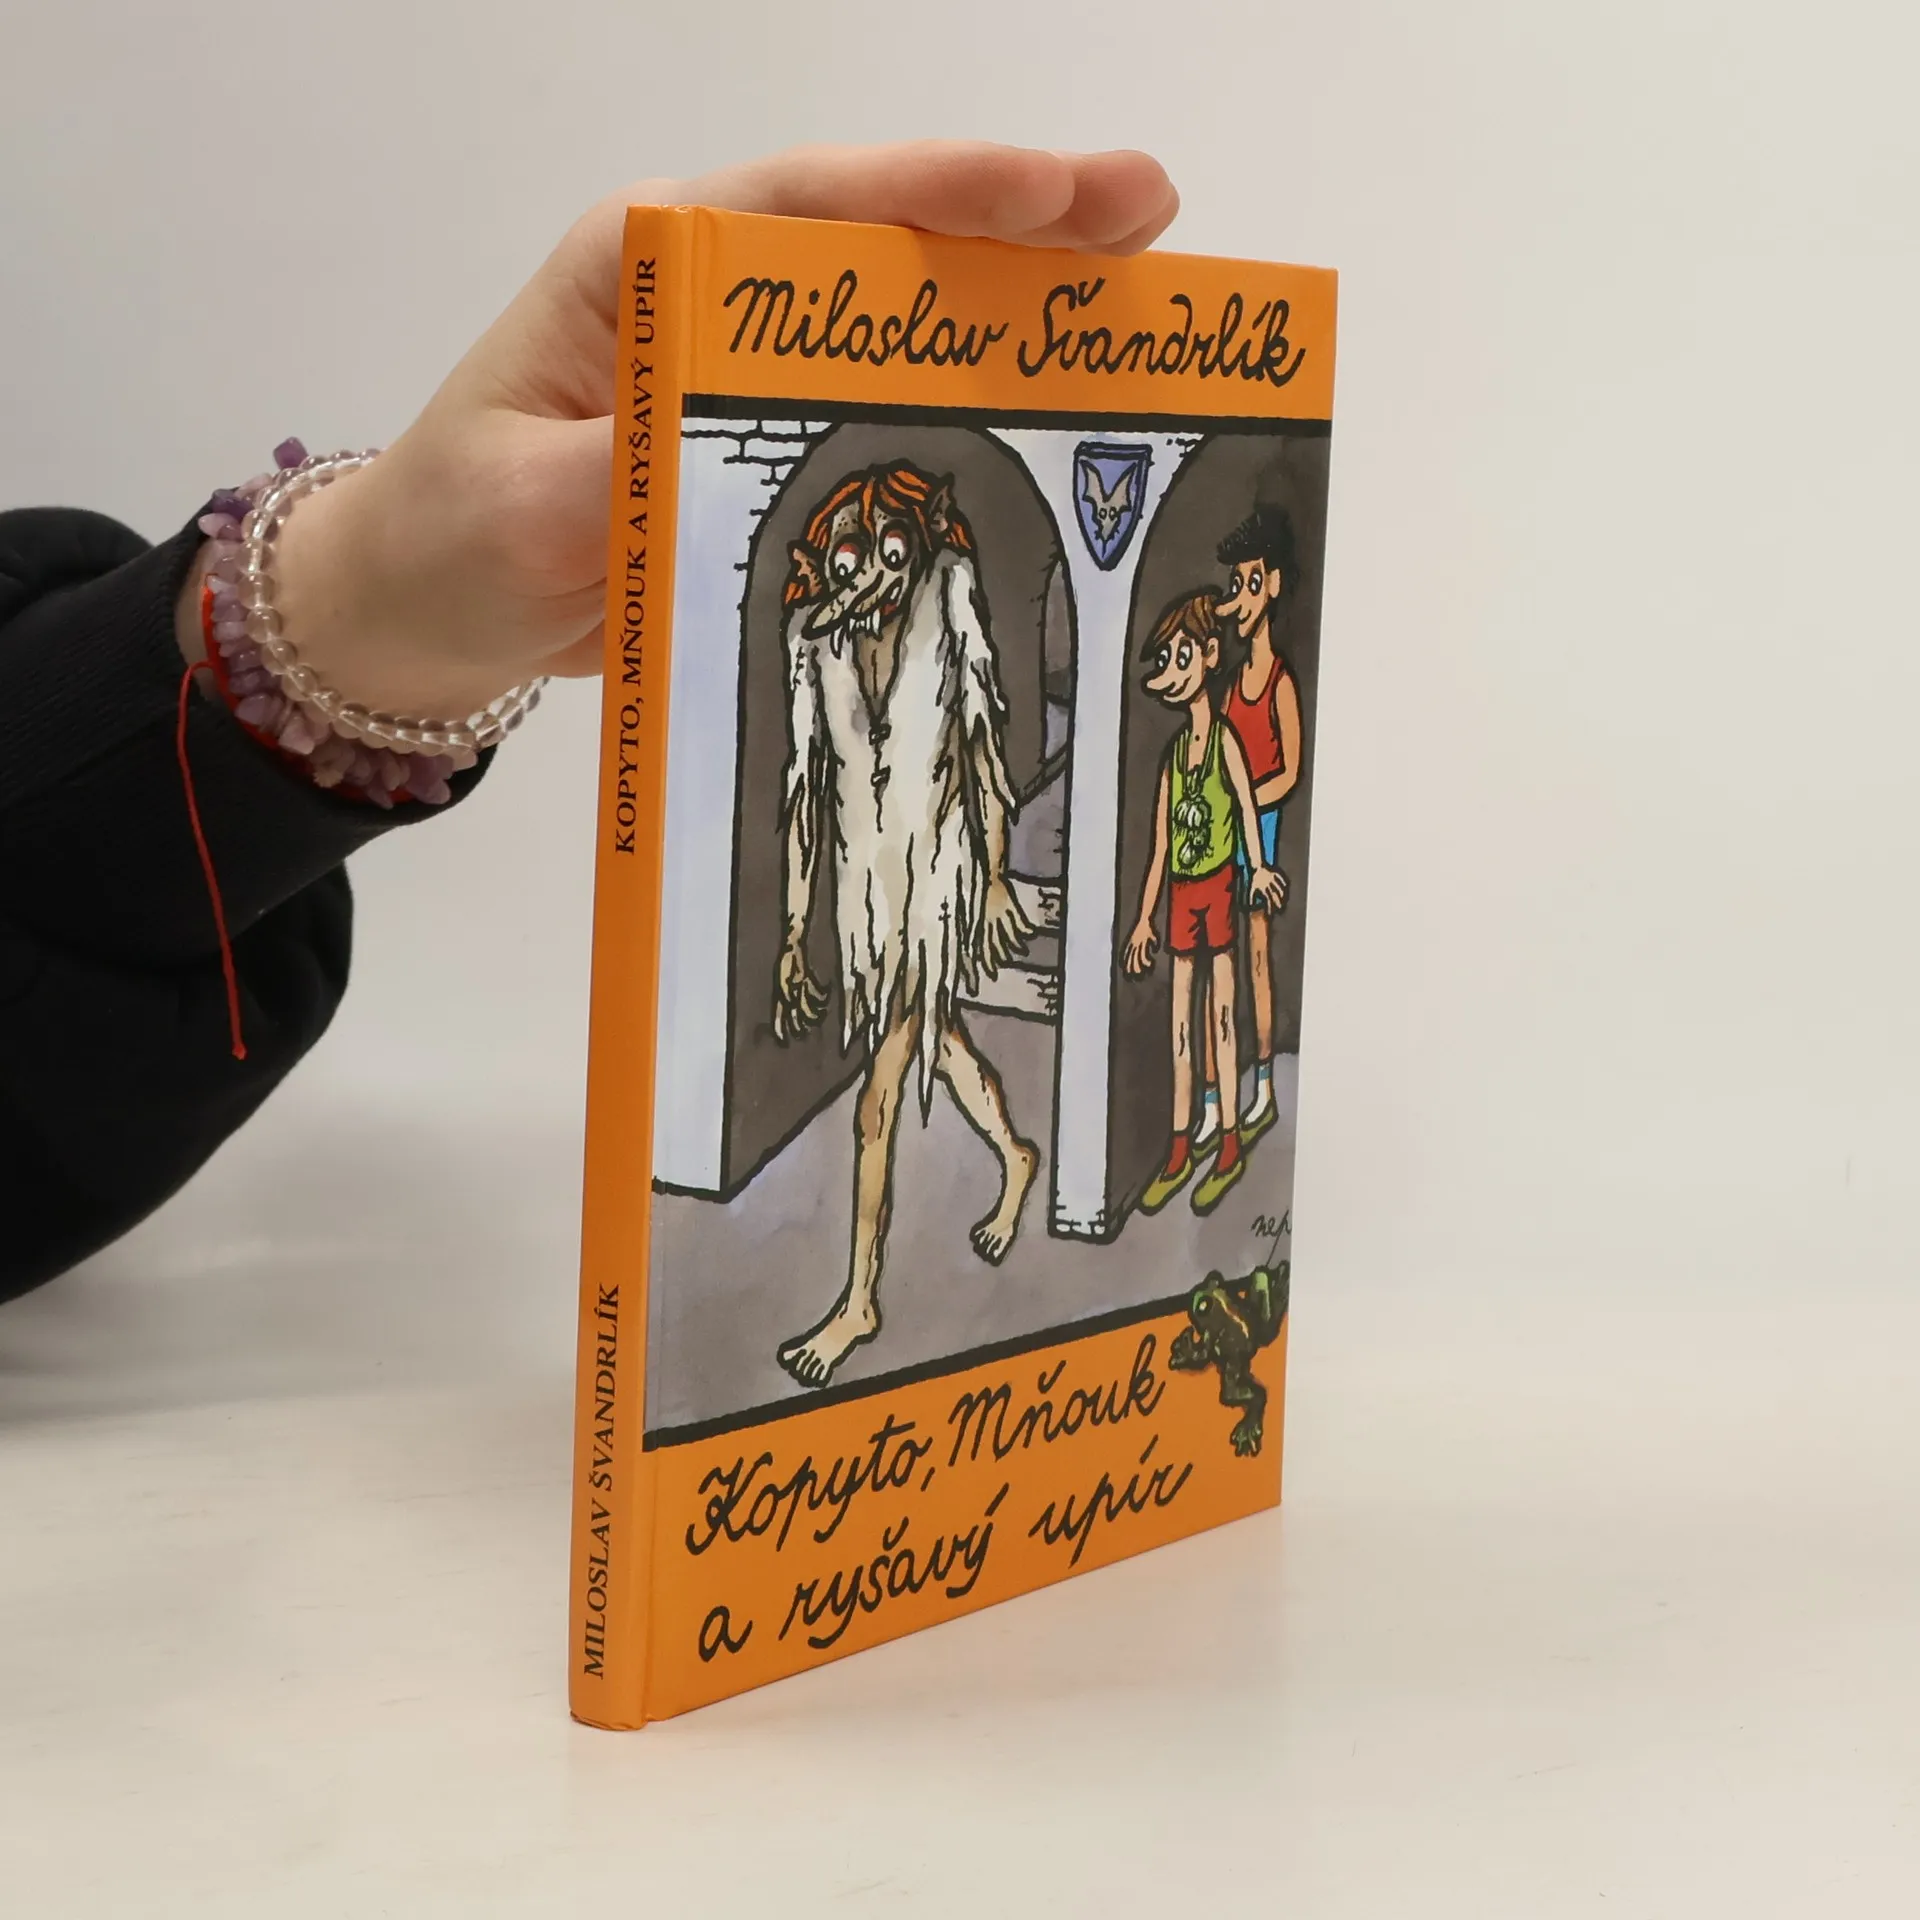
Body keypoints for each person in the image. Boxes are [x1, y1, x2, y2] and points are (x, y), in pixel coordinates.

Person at [0, 142, 1180, 1306]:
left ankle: (865, 1291)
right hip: (875, 899)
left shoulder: (949, 662)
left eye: (882, 554)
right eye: (849, 554)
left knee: (890, 1084)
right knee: (929, 1058)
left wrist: (350, 602)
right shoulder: (824, 658)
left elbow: (979, 779)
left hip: (931, 894)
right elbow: (807, 801)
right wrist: (790, 940)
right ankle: (1010, 1166)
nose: (858, 574)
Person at [1123, 590, 1285, 1218]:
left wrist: (1259, 868)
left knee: (1220, 1017)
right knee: (1180, 1026)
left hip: (1218, 887)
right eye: (1165, 660)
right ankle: (1179, 1146)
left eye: (1181, 655)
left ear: (1210, 655)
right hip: (1182, 896)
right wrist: (1144, 917)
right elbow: (1161, 846)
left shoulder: (1223, 743)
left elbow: (1245, 807)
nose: (1171, 670)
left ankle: (1228, 1146)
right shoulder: (1174, 758)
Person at [1194, 504, 1305, 1153]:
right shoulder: (1233, 683)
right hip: (1224, 830)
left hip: (1258, 825)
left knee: (1256, 959)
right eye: (1236, 584)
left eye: (1252, 582)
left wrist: (1245, 802)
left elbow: (1288, 771)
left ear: (1275, 585)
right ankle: (1214, 1097)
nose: (1241, 595)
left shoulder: (1280, 681)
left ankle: (1261, 1084)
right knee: (1218, 966)